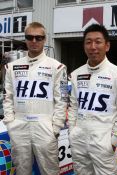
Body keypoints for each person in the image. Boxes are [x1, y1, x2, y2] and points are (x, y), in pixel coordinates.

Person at [3, 22, 68, 175]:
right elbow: (8, 97)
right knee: (21, 170)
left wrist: (56, 128)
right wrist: (10, 123)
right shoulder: (11, 67)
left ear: (45, 39)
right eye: (29, 37)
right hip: (19, 126)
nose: (34, 41)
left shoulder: (57, 67)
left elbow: (62, 100)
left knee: (50, 170)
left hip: (45, 126)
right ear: (25, 39)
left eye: (38, 38)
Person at [68, 23, 117, 175]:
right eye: (88, 42)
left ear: (107, 45)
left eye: (98, 41)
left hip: (104, 142)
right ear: (84, 46)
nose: (93, 46)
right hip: (79, 139)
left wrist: (114, 141)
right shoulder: (75, 75)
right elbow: (73, 106)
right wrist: (72, 131)